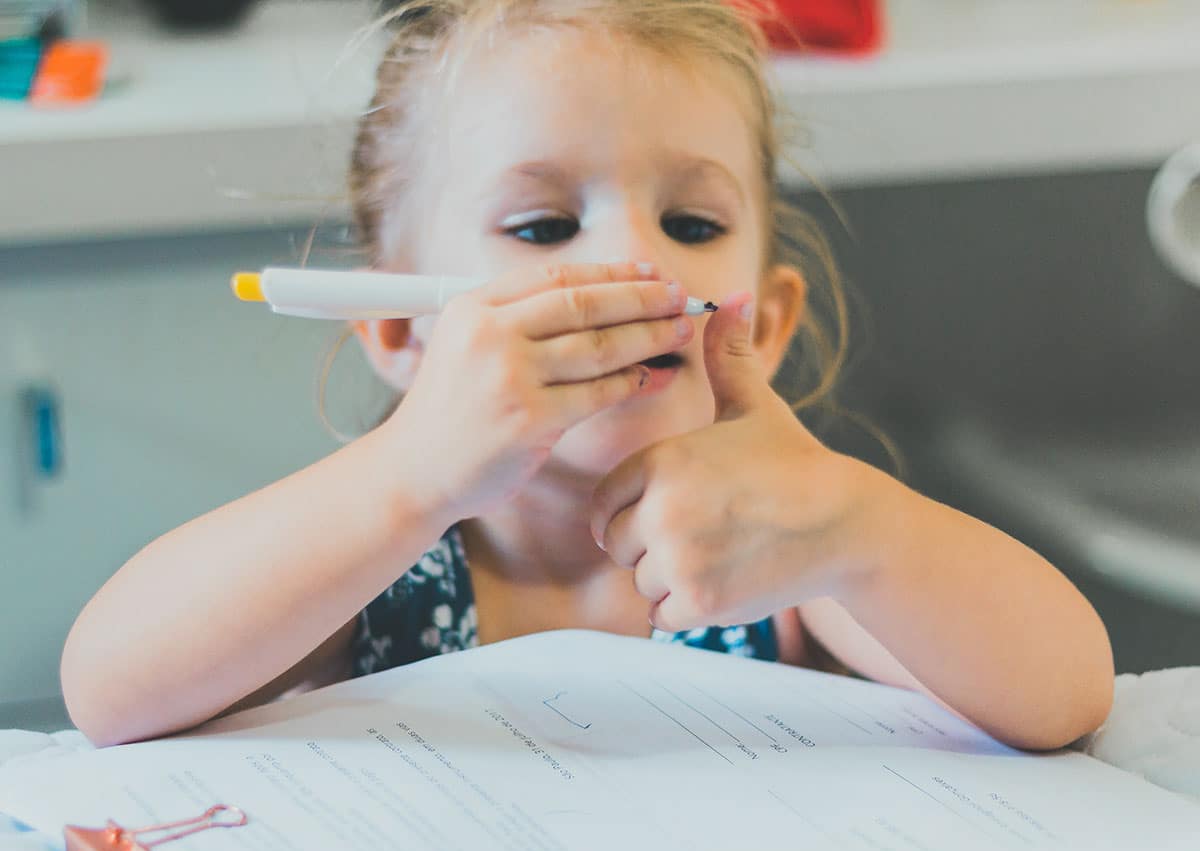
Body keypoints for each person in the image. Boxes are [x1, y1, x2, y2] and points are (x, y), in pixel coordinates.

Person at [60, 0, 1113, 750]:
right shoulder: (368, 566)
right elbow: (106, 690)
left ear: (769, 320)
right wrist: (406, 479)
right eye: (544, 224)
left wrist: (864, 532)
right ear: (398, 328)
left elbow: (1067, 695)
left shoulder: (788, 557)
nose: (635, 267)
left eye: (693, 223)